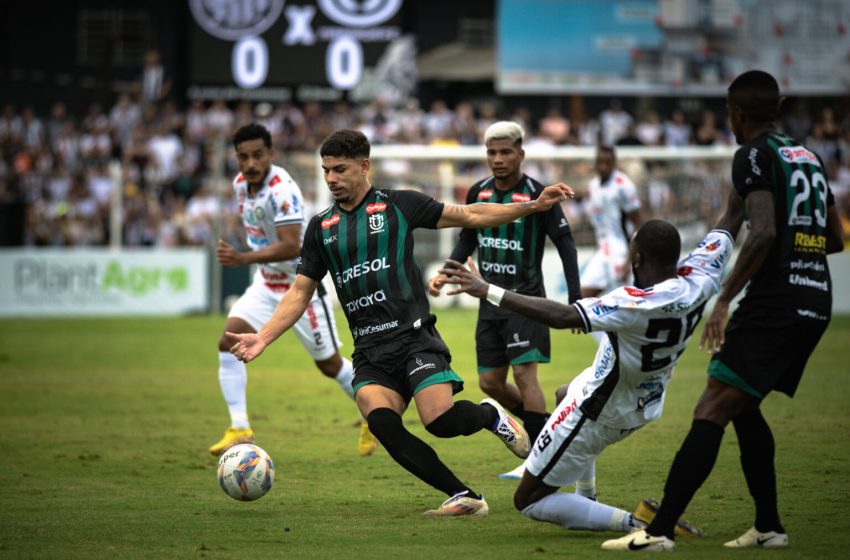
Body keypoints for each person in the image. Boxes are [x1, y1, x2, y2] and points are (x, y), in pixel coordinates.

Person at [227, 129, 575, 516]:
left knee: (439, 421)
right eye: (326, 171)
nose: (331, 179)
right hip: (371, 351)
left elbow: (470, 214)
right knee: (383, 424)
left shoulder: (399, 205)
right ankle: (465, 497)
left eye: (340, 170)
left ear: (364, 166)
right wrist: (263, 337)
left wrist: (531, 207)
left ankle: (490, 415)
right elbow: (299, 292)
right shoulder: (320, 228)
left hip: (414, 339)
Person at [601, 70, 844, 552]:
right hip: (817, 298)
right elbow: (832, 237)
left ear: (736, 111)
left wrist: (726, 297)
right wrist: (691, 272)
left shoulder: (752, 155)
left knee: (711, 405)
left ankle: (659, 531)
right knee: (742, 405)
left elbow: (764, 230)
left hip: (777, 302)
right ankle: (769, 526)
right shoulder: (808, 158)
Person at [439, 219, 725, 538]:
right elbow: (726, 227)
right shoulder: (699, 278)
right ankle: (587, 496)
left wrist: (487, 290)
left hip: (599, 408)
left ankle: (642, 524)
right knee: (564, 392)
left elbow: (564, 316)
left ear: (637, 259)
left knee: (528, 500)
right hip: (645, 399)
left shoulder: (633, 303)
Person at [209, 123, 378, 457]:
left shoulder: (281, 190)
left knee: (329, 365)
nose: (250, 163)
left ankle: (374, 413)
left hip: (301, 286)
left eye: (258, 155)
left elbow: (291, 246)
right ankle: (240, 428)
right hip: (265, 284)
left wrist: (244, 257)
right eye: (244, 156)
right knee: (228, 343)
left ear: (271, 154)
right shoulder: (241, 184)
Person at [428, 121, 581, 480]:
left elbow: (566, 246)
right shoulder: (478, 192)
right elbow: (467, 239)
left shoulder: (538, 194)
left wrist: (574, 298)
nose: (498, 159)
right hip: (488, 301)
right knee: (490, 383)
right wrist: (446, 272)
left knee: (526, 378)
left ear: (520, 154)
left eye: (505, 152)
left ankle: (539, 460)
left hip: (525, 301)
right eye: (492, 152)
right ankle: (542, 433)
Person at [580, 145, 642, 301]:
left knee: (622, 304)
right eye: (600, 162)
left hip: (620, 252)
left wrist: (631, 260)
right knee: (582, 298)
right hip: (603, 250)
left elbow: (638, 224)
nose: (603, 166)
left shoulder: (623, 185)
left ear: (614, 163)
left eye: (607, 162)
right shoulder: (593, 185)